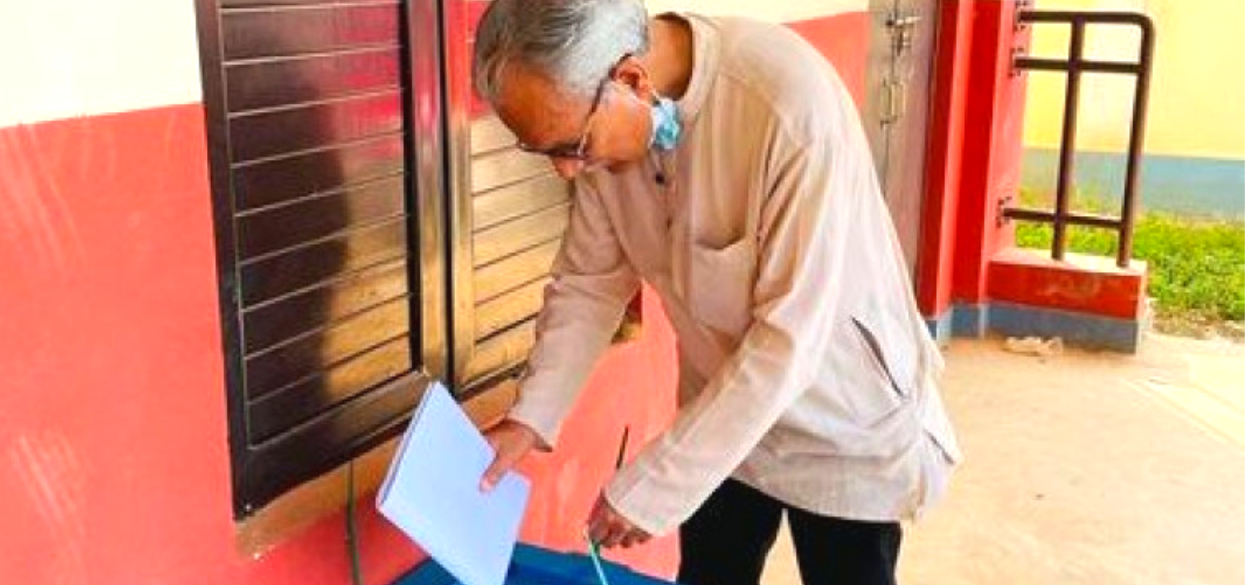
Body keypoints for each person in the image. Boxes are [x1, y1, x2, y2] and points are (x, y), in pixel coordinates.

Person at [472, 1, 961, 584]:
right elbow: (588, 283)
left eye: (569, 146)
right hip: (721, 414)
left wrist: (655, 485)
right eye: (543, 150)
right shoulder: (600, 125)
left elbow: (789, 341)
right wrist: (529, 419)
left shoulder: (786, 106)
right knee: (712, 571)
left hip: (841, 417)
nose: (567, 172)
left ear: (631, 80)